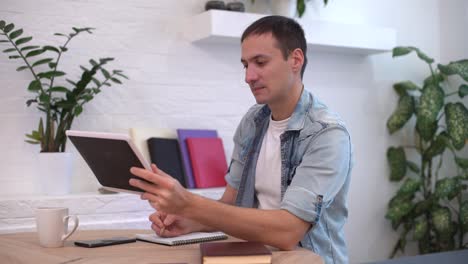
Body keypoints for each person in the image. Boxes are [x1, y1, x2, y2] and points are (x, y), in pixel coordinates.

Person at [129, 15, 353, 264]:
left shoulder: (327, 134)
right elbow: (231, 203)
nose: (249, 76)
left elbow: (288, 231)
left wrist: (189, 203)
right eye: (246, 65)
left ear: (295, 60)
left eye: (260, 62)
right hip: (253, 255)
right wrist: (191, 222)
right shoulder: (253, 121)